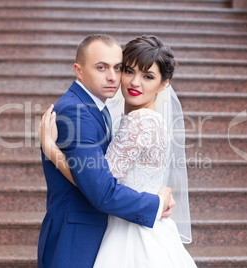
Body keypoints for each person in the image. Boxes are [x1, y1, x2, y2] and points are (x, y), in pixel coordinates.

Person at [40, 35, 197, 267]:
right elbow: (101, 185)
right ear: (79, 70)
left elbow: (100, 185)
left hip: (131, 232)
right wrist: (156, 199)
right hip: (102, 227)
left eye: (148, 76)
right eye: (129, 71)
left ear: (163, 84)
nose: (134, 82)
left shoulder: (139, 121)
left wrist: (51, 149)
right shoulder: (86, 111)